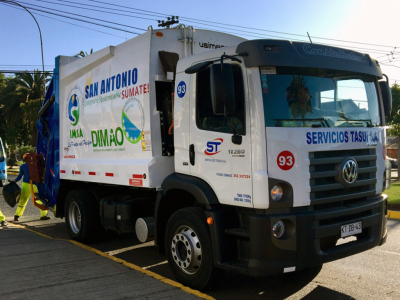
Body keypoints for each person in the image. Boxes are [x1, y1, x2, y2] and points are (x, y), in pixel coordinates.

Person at [14, 154, 50, 221]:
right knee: (40, 200)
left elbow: (19, 176)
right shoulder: (36, 166)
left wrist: (14, 181)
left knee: (23, 200)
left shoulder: (23, 166)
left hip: (26, 185)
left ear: (24, 159)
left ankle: (17, 215)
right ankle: (43, 215)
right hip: (36, 185)